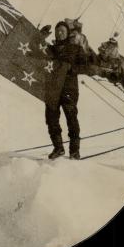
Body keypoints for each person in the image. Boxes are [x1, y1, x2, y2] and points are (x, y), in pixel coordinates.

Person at [45, 21, 88, 160]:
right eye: (57, 31)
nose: (59, 33)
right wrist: (39, 35)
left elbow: (86, 66)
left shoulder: (75, 48)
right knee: (51, 119)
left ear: (68, 33)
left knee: (71, 118)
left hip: (69, 89)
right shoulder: (49, 49)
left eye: (62, 31)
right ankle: (58, 148)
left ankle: (74, 151)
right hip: (52, 89)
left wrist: (72, 68)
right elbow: (34, 52)